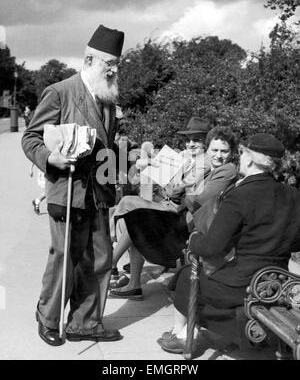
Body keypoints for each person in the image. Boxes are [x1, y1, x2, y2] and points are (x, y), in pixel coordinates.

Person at [21, 24, 125, 346]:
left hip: (99, 193)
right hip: (67, 190)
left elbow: (111, 145)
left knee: (100, 260)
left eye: (117, 65)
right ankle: (47, 316)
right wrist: (49, 159)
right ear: (90, 60)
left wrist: (125, 157)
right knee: (65, 257)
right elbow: (31, 137)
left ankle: (85, 323)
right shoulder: (60, 91)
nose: (114, 70)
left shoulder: (108, 100)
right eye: (110, 64)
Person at [158, 133, 300, 355]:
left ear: (250, 159)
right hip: (276, 283)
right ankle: (230, 334)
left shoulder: (240, 195)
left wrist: (194, 238)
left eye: (242, 153)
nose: (239, 158)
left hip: (239, 286)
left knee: (186, 275)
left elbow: (211, 247)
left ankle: (183, 335)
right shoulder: (293, 195)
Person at [109, 125, 238, 300]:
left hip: (186, 222)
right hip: (181, 214)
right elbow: (182, 192)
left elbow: (193, 198)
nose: (218, 155)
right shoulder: (199, 162)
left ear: (231, 152)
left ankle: (113, 264)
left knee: (134, 215)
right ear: (208, 149)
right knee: (131, 216)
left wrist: (175, 187)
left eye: (224, 151)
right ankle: (125, 275)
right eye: (214, 150)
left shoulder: (219, 168)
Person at [109, 117, 212, 281]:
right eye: (188, 140)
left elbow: (176, 191)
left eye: (197, 140)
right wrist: (146, 165)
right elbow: (138, 177)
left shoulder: (205, 162)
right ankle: (122, 272)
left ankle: (110, 262)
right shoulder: (185, 155)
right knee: (125, 214)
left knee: (129, 207)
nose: (191, 144)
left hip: (178, 213)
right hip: (169, 206)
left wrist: (167, 179)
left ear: (206, 142)